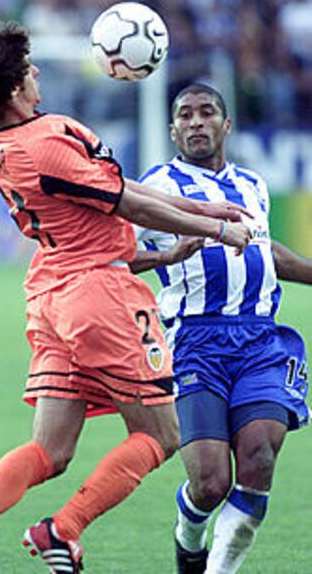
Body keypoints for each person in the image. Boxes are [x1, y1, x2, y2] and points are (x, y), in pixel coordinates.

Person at [0, 23, 252, 574]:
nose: (36, 73)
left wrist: (202, 212)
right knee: (160, 434)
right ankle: (64, 528)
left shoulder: (3, 145)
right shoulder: (45, 146)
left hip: (51, 294)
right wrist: (221, 229)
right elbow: (127, 203)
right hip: (100, 297)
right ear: (12, 88)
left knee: (52, 451)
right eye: (27, 68)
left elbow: (116, 186)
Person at [133, 82, 310, 574]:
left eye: (207, 112)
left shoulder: (252, 185)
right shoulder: (156, 188)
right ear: (172, 130)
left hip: (260, 339)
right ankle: (188, 533)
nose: (196, 122)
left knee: (259, 462)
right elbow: (116, 255)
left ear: (226, 125)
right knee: (210, 484)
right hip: (195, 342)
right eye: (185, 115)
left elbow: (266, 253)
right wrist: (166, 255)